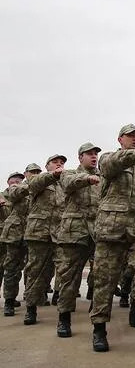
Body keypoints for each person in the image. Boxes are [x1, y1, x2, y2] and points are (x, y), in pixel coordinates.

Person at [89, 124, 135, 352]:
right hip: (111, 230)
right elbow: (110, 166)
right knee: (105, 281)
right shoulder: (108, 158)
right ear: (120, 139)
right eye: (130, 136)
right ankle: (99, 328)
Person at [55, 142, 102, 338]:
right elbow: (68, 184)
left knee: (102, 275)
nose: (94, 157)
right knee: (70, 277)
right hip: (74, 232)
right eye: (89, 154)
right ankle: (64, 318)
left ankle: (98, 317)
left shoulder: (103, 177)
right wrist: (87, 179)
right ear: (80, 157)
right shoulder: (69, 174)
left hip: (98, 231)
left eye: (95, 154)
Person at [23, 154, 66, 325]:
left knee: (60, 270)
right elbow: (33, 184)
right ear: (47, 166)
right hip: (39, 233)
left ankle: (63, 311)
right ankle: (31, 309)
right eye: (55, 162)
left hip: (59, 234)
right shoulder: (38, 180)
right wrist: (52, 175)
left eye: (61, 162)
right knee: (35, 271)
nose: (59, 164)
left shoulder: (63, 184)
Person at [1, 164, 42, 316]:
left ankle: (31, 300)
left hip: (33, 233)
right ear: (26, 174)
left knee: (32, 269)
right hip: (15, 233)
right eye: (32, 172)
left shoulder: (39, 189)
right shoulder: (16, 188)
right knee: (12, 268)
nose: (35, 174)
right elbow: (13, 194)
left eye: (38, 172)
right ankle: (9, 301)